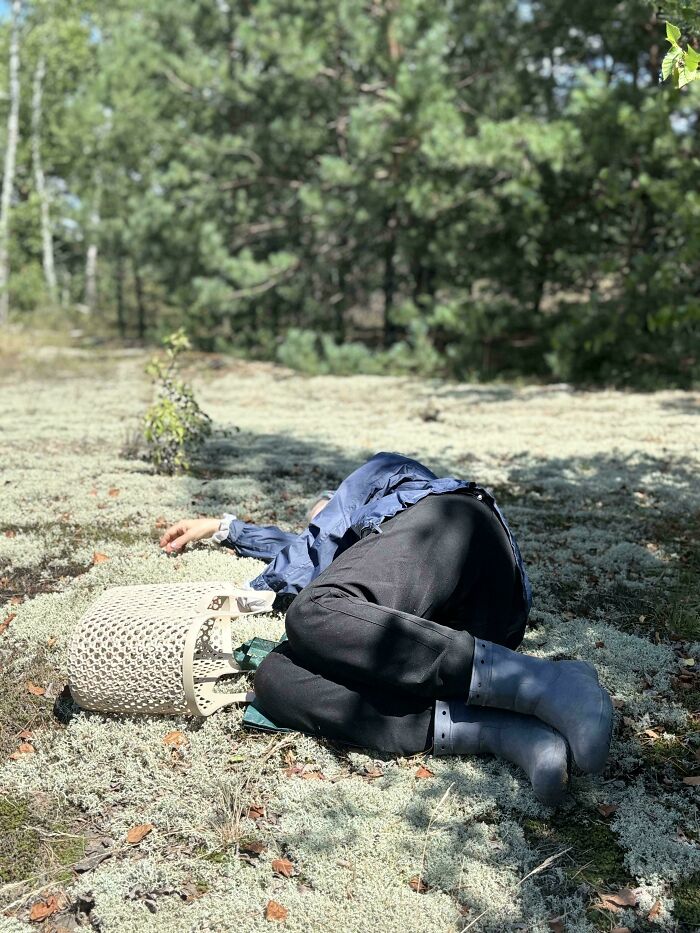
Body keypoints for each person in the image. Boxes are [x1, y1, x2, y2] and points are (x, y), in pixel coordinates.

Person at [158, 451, 613, 806]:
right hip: (438, 641)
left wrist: (256, 583)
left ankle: (546, 683)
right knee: (275, 677)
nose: (318, 522)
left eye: (323, 512)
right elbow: (301, 547)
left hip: (458, 536)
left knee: (313, 611)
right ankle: (501, 728)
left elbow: (321, 535)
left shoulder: (389, 483)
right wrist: (223, 528)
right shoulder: (342, 560)